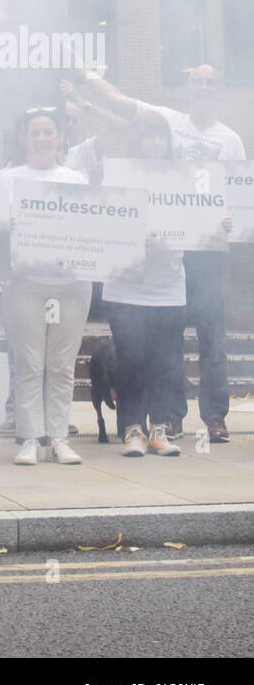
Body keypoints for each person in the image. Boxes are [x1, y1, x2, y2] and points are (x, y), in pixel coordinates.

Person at [72, 65, 246, 443]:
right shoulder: (166, 121)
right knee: (170, 345)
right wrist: (87, 77)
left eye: (210, 83)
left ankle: (214, 417)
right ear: (186, 88)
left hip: (207, 252)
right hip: (162, 261)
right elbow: (118, 105)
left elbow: (231, 197)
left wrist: (228, 220)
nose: (202, 88)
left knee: (212, 337)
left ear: (221, 90)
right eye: (196, 81)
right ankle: (171, 418)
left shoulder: (231, 140)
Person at [102, 111, 232, 458]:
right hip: (127, 287)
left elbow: (200, 218)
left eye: (160, 137)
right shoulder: (121, 178)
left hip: (169, 286)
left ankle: (159, 430)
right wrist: (129, 238)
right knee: (131, 360)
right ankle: (132, 431)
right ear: (138, 141)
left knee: (165, 363)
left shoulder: (184, 179)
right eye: (148, 136)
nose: (155, 143)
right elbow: (104, 222)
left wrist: (220, 223)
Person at [0, 107, 92, 466]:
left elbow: (91, 227)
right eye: (35, 132)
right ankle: (31, 438)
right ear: (25, 138)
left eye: (48, 131)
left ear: (60, 137)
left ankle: (60, 437)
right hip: (25, 284)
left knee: (62, 365)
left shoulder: (75, 179)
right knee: (29, 364)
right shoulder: (6, 178)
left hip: (72, 284)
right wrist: (10, 225)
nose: (42, 137)